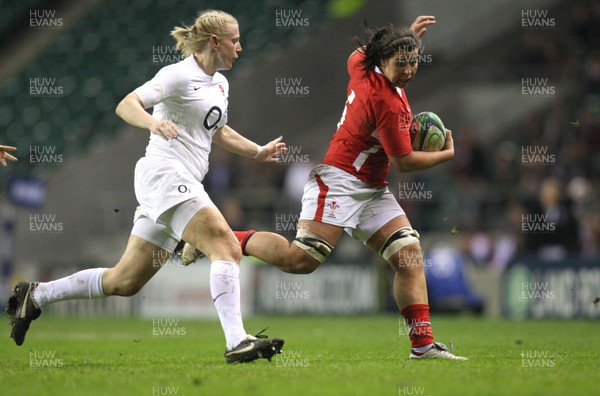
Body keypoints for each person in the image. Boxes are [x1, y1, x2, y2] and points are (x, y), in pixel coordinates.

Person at [6, 9, 286, 364]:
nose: (240, 47)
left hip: (177, 184)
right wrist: (153, 124)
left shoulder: (220, 84)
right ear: (215, 42)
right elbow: (128, 104)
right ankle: (236, 341)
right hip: (165, 174)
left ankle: (37, 295)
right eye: (235, 40)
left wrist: (257, 151)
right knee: (226, 247)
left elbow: (218, 130)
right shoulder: (178, 75)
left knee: (124, 281)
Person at [183, 15, 467, 360]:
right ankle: (225, 239)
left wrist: (406, 37)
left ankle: (422, 346)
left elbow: (367, 51)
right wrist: (446, 154)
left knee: (408, 256)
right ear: (383, 60)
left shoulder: (361, 64)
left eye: (414, 61)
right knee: (299, 261)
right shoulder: (387, 103)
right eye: (400, 63)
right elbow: (404, 162)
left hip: (372, 188)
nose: (408, 70)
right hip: (339, 181)